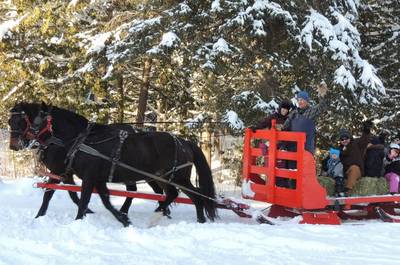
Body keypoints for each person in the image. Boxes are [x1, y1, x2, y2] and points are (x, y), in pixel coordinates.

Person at [281, 82, 328, 154]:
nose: (300, 102)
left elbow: (322, 107)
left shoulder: (311, 111)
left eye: (302, 99)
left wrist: (321, 96)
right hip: (292, 148)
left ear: (307, 101)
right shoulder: (294, 113)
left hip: (306, 148)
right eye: (298, 100)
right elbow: (285, 127)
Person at [338, 120, 373, 196]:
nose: (344, 140)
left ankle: (347, 190)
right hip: (344, 172)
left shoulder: (356, 143)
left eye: (346, 138)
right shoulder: (339, 149)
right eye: (342, 139)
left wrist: (366, 130)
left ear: (350, 137)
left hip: (356, 170)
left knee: (354, 168)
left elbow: (364, 140)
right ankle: (337, 189)